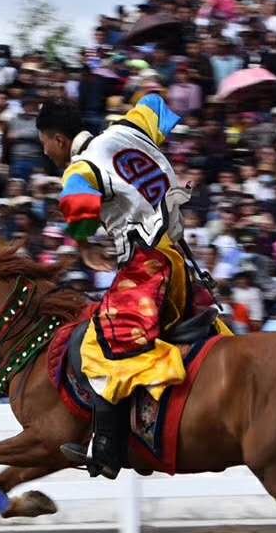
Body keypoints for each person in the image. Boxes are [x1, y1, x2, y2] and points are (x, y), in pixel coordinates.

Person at [36, 94, 218, 479]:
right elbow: (155, 105)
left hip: (148, 266)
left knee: (100, 341)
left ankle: (108, 448)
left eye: (45, 143)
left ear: (57, 139)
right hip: (181, 264)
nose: (46, 152)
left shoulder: (79, 167)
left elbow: (77, 201)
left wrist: (84, 244)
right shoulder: (127, 129)